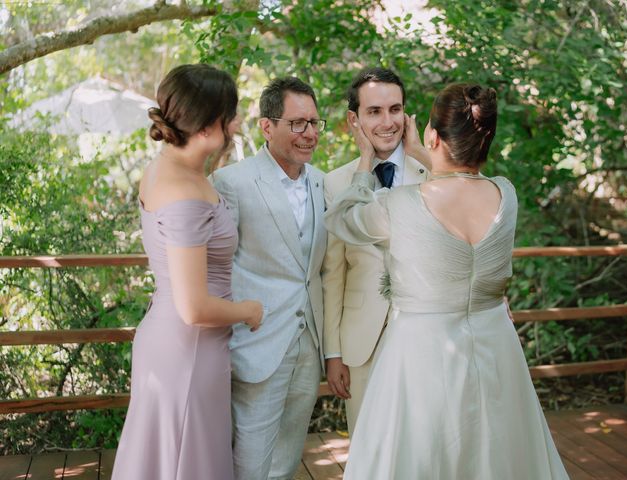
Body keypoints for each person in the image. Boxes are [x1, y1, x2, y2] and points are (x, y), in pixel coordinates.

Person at [325, 83, 569, 479]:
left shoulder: (401, 204)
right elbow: (468, 179)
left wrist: (365, 162)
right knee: (493, 451)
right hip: (496, 345)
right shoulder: (506, 196)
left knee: (425, 453)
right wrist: (434, 153)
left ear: (432, 135)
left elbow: (341, 217)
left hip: (423, 350)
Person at [112, 64, 263, 480]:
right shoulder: (183, 191)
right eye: (230, 114)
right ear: (208, 122)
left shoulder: (172, 168)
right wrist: (248, 310)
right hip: (188, 349)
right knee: (184, 461)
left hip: (176, 343)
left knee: (169, 459)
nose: (235, 123)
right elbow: (194, 306)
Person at [212, 77, 327, 480]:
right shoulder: (233, 182)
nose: (309, 133)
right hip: (256, 344)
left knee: (287, 458)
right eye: (297, 123)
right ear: (267, 126)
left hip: (308, 344)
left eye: (314, 123)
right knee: (249, 462)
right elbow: (217, 268)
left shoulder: (321, 182)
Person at [321, 67, 428, 434]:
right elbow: (333, 273)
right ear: (354, 119)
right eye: (374, 112)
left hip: (426, 333)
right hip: (360, 341)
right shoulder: (335, 182)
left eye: (395, 110)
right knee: (370, 447)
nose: (388, 122)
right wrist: (333, 352)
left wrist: (423, 153)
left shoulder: (433, 172)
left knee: (423, 444)